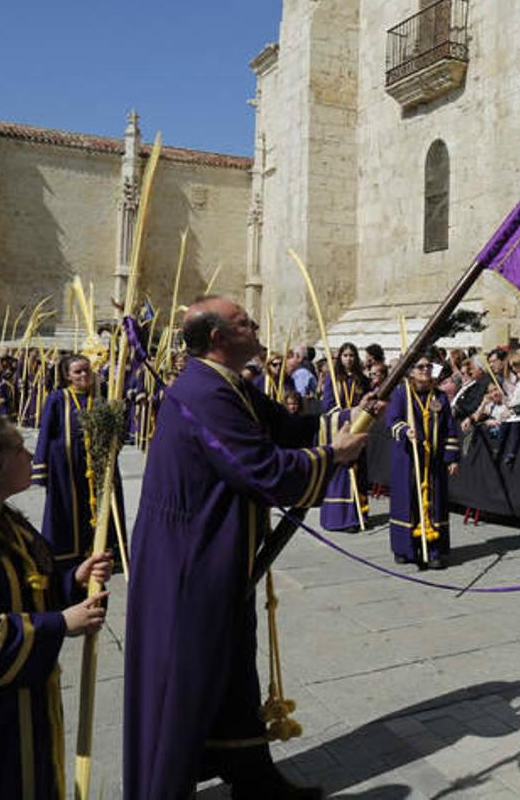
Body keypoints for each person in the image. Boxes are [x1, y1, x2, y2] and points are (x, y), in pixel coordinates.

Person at [123, 296, 370, 799]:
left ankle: (253, 779)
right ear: (218, 337)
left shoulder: (229, 384)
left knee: (234, 667)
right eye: (244, 322)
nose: (255, 326)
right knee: (188, 678)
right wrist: (333, 455)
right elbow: (262, 470)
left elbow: (287, 426)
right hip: (191, 561)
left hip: (221, 555)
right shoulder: (203, 392)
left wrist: (355, 415)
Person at [0, 414, 113, 799]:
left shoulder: (10, 523)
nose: (30, 456)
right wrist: (59, 624)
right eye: (18, 449)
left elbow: (32, 588)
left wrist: (73, 580)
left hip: (31, 709)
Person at [31, 354, 127, 567]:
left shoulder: (102, 396)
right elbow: (46, 433)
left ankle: (101, 550)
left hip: (98, 464)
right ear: (67, 376)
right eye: (78, 371)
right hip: (66, 466)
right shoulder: (58, 398)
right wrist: (40, 469)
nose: (84, 374)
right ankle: (69, 558)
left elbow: (117, 431)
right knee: (69, 510)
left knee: (100, 507)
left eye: (87, 370)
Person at [386, 359, 460, 569]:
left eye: (428, 366)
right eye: (420, 367)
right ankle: (404, 548)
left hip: (433, 460)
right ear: (411, 371)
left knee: (435, 503)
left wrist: (452, 457)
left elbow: (449, 428)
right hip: (408, 459)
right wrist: (405, 430)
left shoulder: (440, 397)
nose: (426, 370)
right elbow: (391, 420)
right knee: (407, 501)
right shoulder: (402, 394)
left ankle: (434, 550)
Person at [319, 343, 372, 532]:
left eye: (351, 355)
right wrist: (348, 414)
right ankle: (339, 518)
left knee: (358, 473)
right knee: (340, 475)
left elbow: (368, 403)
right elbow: (327, 407)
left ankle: (357, 515)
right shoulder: (332, 380)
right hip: (339, 431)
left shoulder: (362, 380)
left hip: (358, 430)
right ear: (340, 358)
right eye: (345, 355)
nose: (348, 359)